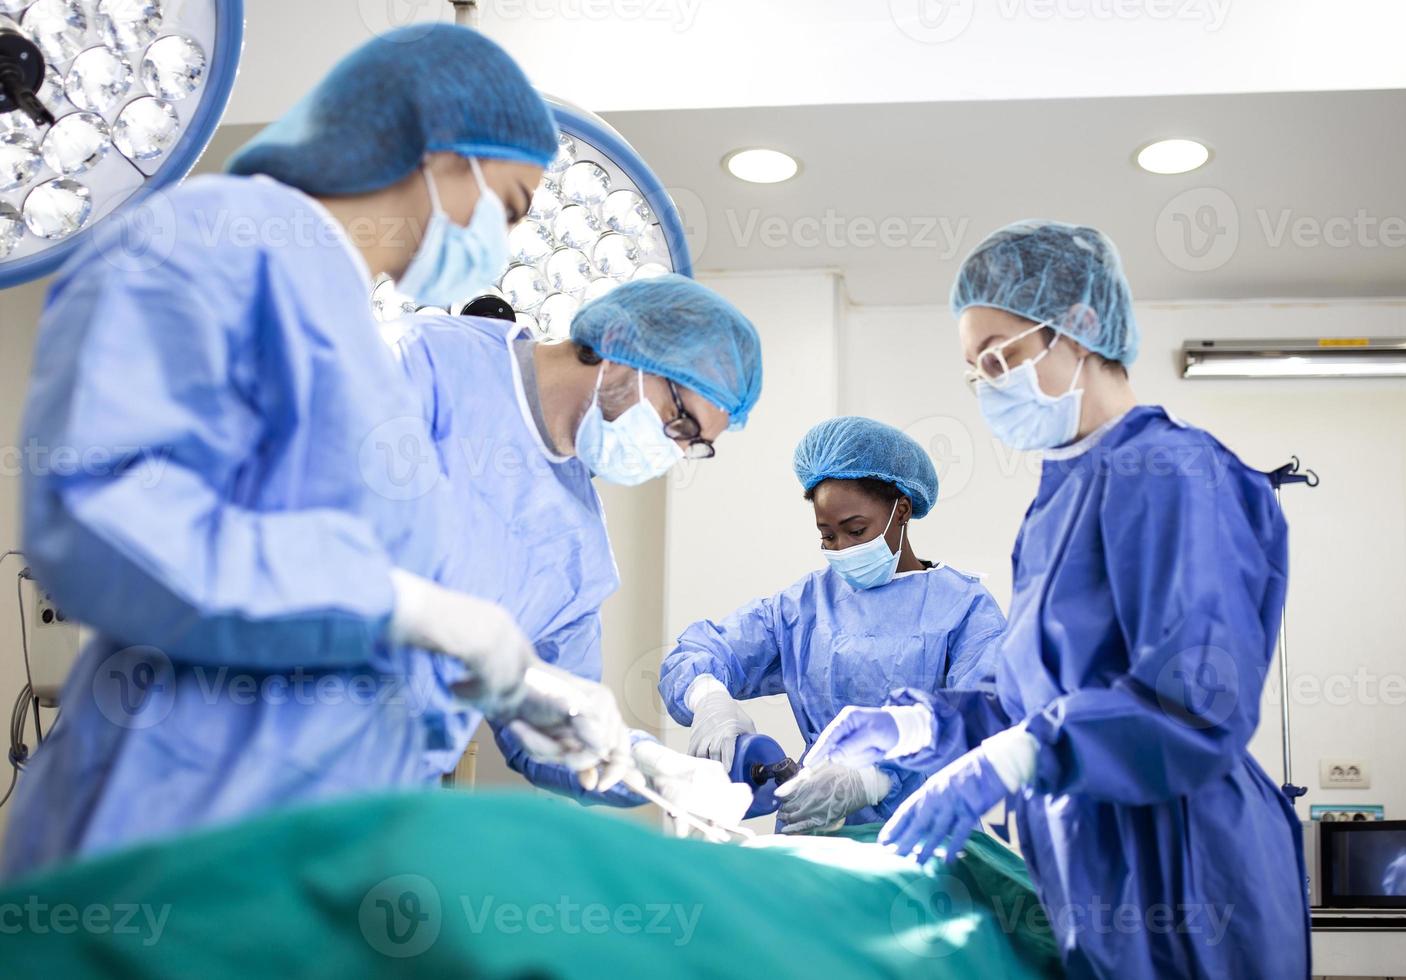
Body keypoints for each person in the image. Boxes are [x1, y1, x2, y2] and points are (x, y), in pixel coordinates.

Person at [1, 26, 627, 880]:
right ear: (441, 154)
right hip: (166, 839)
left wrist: (518, 690)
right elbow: (102, 518)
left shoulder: (355, 338)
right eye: (507, 207)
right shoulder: (214, 238)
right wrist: (407, 606)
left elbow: (342, 630)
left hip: (319, 852)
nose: (503, 245)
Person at [804, 220, 1309, 977]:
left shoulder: (1175, 474)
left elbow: (1195, 699)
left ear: (1081, 327)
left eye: (1000, 356)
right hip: (1094, 867)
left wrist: (1012, 759)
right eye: (975, 372)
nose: (988, 385)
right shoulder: (1054, 508)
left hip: (1192, 864)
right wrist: (910, 725)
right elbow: (1026, 704)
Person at [390, 276, 762, 828]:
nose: (674, 451)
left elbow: (553, 735)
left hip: (386, 802)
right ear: (622, 345)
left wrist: (652, 769)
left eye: (694, 446)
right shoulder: (427, 360)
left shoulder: (577, 552)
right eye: (679, 422)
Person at [659, 416, 1007, 834]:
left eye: (856, 530)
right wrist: (709, 698)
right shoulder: (804, 606)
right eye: (827, 536)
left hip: (925, 839)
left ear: (902, 510)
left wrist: (873, 777)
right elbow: (702, 652)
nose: (842, 548)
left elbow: (985, 714)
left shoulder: (963, 606)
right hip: (814, 836)